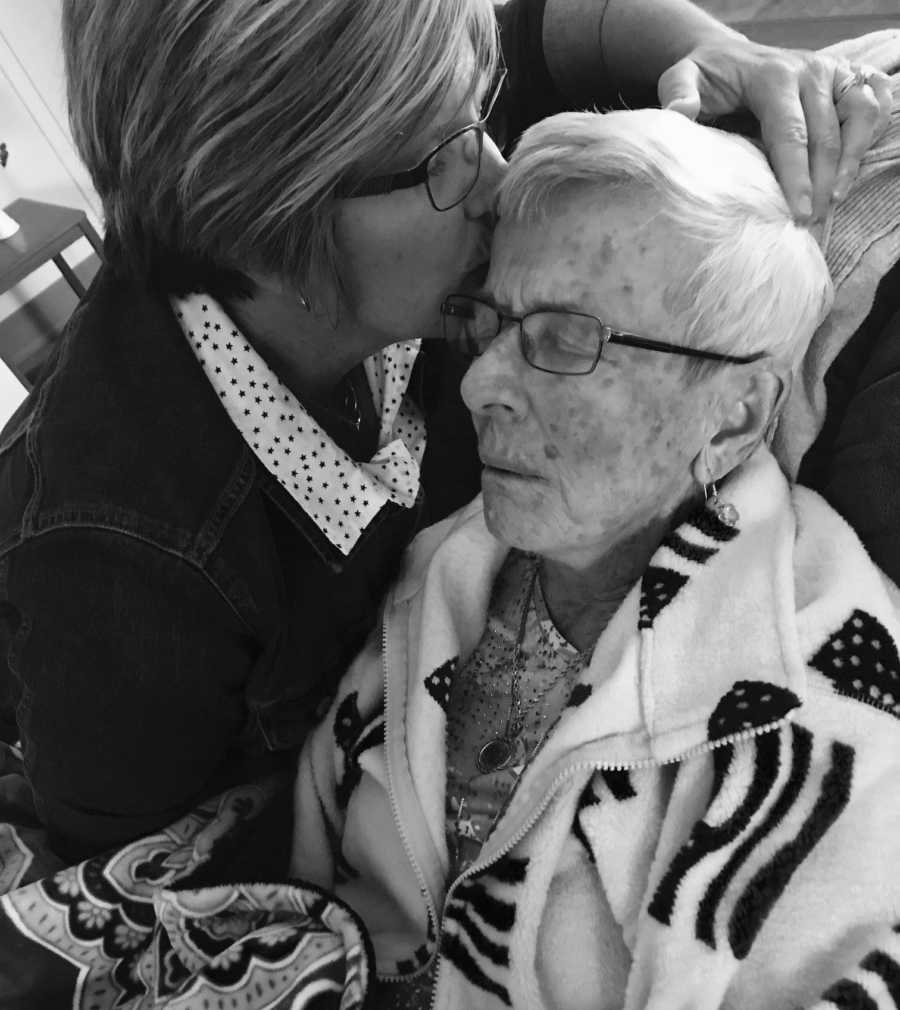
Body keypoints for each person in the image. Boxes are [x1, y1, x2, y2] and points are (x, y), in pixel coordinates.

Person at [0, 0, 891, 875]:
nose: (499, 181)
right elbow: (145, 885)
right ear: (274, 217)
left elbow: (545, 26)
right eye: (448, 158)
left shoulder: (379, 137)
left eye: (478, 117)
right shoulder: (123, 570)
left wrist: (720, 50)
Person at [291, 110, 900, 1010]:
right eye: (491, 321)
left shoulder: (829, 731)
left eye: (568, 338)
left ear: (732, 417)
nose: (476, 382)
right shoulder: (445, 565)